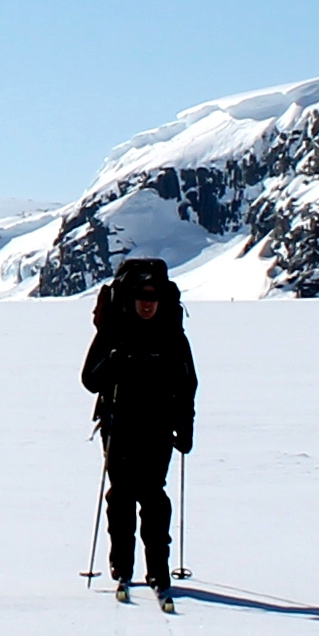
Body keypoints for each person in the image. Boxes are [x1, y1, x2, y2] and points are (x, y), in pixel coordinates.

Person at [80, 253, 196, 604]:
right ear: (131, 299)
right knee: (122, 494)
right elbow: (89, 379)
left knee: (152, 495)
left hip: (157, 425)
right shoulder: (114, 332)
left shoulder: (173, 336)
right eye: (143, 297)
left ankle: (157, 569)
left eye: (153, 298)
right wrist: (113, 362)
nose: (148, 304)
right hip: (119, 424)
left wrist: (185, 426)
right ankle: (122, 567)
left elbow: (187, 384)